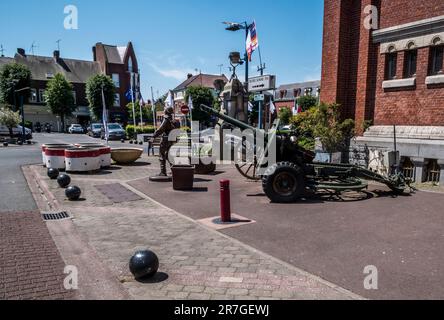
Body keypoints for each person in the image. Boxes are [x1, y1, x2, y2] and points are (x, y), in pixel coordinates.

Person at [151, 106, 176, 176]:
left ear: (166, 111)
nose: (164, 110)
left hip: (165, 140)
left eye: (165, 109)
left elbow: (160, 129)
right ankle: (175, 170)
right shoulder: (172, 120)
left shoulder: (166, 119)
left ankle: (163, 172)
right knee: (169, 155)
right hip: (171, 139)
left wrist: (153, 136)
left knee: (162, 155)